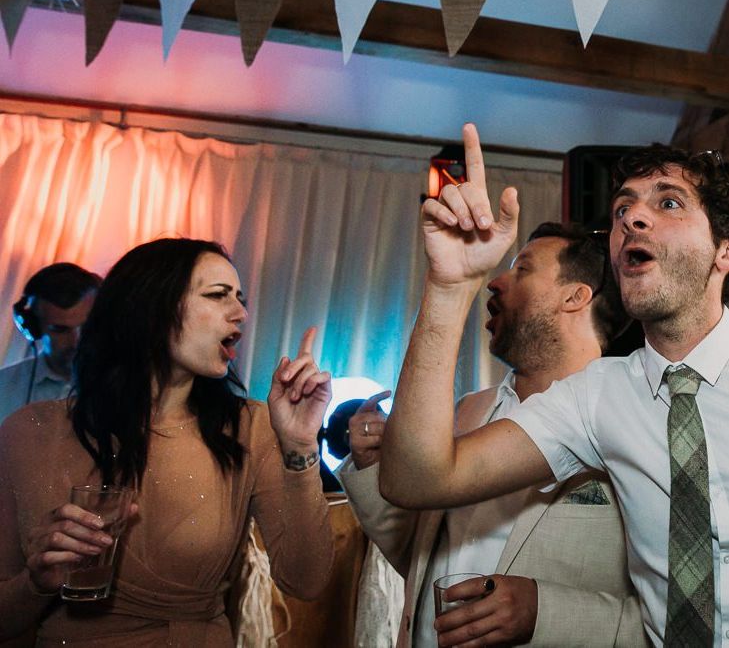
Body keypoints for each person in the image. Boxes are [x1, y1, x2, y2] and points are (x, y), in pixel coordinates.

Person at [379, 124, 729, 646]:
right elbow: (417, 479)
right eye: (622, 209)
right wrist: (449, 288)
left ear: (723, 253)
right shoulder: (596, 397)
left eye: (670, 204)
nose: (632, 218)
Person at [0, 238, 334, 646]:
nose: (242, 313)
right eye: (218, 296)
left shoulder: (250, 427)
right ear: (150, 309)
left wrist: (300, 447)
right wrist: (36, 582)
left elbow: (307, 581)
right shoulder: (28, 431)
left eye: (241, 298)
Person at [339, 223, 648, 646]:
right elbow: (421, 558)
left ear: (575, 296)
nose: (496, 283)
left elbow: (678, 617)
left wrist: (544, 614)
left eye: (522, 269)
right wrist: (374, 464)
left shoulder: (635, 420)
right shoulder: (469, 410)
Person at [0, 262, 101, 422]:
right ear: (32, 326)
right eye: (60, 330)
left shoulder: (128, 385)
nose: (77, 342)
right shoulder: (4, 385)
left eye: (87, 327)